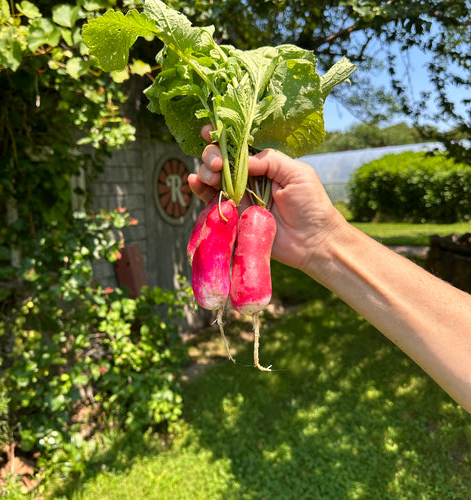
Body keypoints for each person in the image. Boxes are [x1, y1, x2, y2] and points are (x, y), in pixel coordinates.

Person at [188, 125, 471, 414]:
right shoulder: (248, 213)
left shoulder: (259, 216)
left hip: (259, 213)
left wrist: (322, 239)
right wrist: (322, 243)